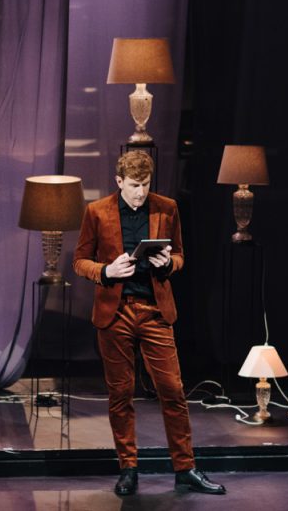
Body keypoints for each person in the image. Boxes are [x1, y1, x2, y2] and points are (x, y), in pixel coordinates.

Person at [73, 150, 225, 497]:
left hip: (155, 311)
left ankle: (185, 469)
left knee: (172, 390)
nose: (140, 192)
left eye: (145, 184)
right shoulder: (97, 211)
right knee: (121, 393)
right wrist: (106, 271)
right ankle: (128, 469)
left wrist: (168, 263)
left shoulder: (166, 208)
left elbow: (181, 255)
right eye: (134, 185)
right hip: (116, 313)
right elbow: (80, 260)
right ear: (119, 182)